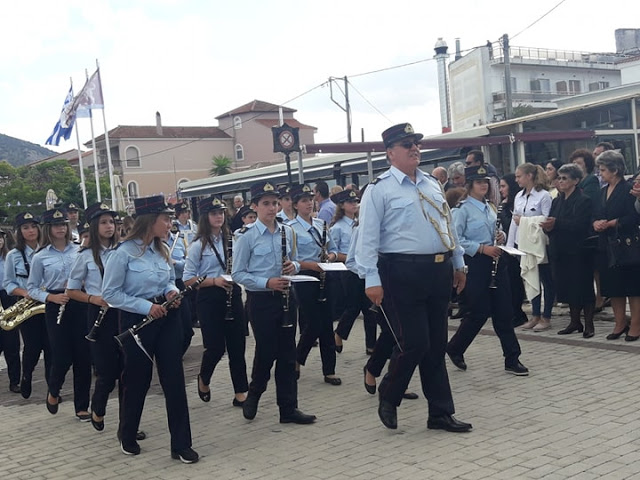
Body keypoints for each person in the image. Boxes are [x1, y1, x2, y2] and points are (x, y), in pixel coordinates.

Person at [355, 122, 471, 432]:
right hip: (400, 272)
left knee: (436, 344)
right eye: (407, 145)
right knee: (414, 342)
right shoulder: (379, 189)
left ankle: (440, 413)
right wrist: (371, 279)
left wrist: (458, 262)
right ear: (391, 153)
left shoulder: (432, 184)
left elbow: (448, 226)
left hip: (438, 269)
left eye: (416, 143)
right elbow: (367, 238)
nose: (415, 148)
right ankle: (389, 394)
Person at [102, 195, 198, 463]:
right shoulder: (122, 253)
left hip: (166, 318)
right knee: (137, 380)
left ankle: (181, 444)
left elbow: (169, 279)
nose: (170, 223)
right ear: (149, 220)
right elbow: (111, 294)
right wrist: (146, 307)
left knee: (174, 380)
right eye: (165, 218)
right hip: (137, 323)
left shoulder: (161, 248)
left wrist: (171, 292)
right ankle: (127, 433)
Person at [232, 180, 316, 425]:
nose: (272, 208)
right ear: (255, 206)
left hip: (287, 297)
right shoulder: (246, 237)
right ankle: (255, 393)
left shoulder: (286, 231)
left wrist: (294, 266)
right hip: (261, 300)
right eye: (266, 204)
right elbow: (238, 274)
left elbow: (296, 261)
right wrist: (266, 282)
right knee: (266, 351)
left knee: (288, 354)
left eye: (275, 203)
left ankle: (288, 408)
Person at [447, 165, 528, 376]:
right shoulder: (461, 209)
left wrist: (500, 235)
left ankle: (512, 358)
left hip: (496, 263)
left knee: (504, 312)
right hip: (475, 264)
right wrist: (482, 248)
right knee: (479, 312)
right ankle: (455, 347)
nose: (483, 185)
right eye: (479, 182)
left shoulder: (491, 206)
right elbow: (456, 240)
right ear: (470, 185)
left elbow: (495, 229)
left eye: (486, 182)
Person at [27, 207, 91, 421]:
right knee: (62, 356)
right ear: (48, 228)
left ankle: (82, 406)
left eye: (63, 224)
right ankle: (54, 390)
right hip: (56, 305)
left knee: (83, 356)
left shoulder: (79, 251)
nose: (61, 228)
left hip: (79, 302)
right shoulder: (40, 257)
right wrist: (50, 298)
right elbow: (33, 288)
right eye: (56, 225)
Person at [184, 195, 248, 408]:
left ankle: (241, 391)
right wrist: (213, 281)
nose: (219, 216)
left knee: (237, 346)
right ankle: (204, 377)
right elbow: (188, 279)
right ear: (205, 217)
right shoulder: (198, 245)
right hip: (209, 297)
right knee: (215, 348)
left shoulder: (234, 239)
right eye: (214, 213)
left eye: (221, 212)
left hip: (233, 294)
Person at [66, 202, 124, 432]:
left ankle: (127, 423)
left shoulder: (124, 251)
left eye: (111, 221)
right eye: (103, 222)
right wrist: (94, 299)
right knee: (108, 371)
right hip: (99, 313)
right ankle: (98, 407)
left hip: (123, 311)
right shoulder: (85, 255)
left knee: (128, 371)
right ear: (93, 226)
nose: (109, 226)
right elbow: (71, 291)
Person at [289, 183, 341, 385]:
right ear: (295, 205)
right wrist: (310, 264)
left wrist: (331, 255)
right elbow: (290, 259)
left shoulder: (321, 224)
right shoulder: (291, 229)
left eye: (310, 200)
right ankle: (297, 358)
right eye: (304, 201)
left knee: (327, 323)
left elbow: (334, 249)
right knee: (313, 323)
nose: (309, 204)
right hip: (305, 278)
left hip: (326, 275)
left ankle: (329, 370)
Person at [541, 164, 596, 338]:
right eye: (559, 177)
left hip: (579, 251)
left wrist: (556, 223)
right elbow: (551, 221)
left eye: (565, 178)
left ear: (576, 180)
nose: (561, 181)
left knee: (583, 287)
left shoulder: (583, 200)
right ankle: (574, 321)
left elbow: (580, 225)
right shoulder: (557, 200)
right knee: (568, 287)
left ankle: (589, 324)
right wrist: (547, 227)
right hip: (560, 250)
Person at [592, 152, 640, 341]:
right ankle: (619, 322)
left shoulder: (628, 189)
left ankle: (636, 324)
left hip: (626, 245)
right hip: (606, 245)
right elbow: (594, 213)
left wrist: (614, 223)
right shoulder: (601, 191)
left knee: (632, 288)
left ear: (615, 169)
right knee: (614, 288)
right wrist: (595, 223)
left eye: (603, 170)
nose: (601, 173)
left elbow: (634, 217)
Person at [3, 212, 51, 399]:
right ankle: (26, 376)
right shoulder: (13, 255)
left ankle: (52, 387)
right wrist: (26, 293)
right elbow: (8, 284)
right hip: (28, 304)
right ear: (19, 232)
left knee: (51, 347)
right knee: (32, 347)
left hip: (49, 302)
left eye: (33, 226)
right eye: (25, 227)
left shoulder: (48, 250)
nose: (30, 231)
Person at [507, 163, 554, 332]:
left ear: (529, 176)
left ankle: (546, 316)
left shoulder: (544, 196)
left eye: (519, 176)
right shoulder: (518, 196)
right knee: (530, 278)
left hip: (539, 244)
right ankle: (535, 315)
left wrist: (525, 222)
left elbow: (545, 219)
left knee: (546, 280)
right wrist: (510, 245)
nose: (516, 179)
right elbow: (515, 221)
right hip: (523, 244)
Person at [330, 189, 376, 355]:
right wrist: (352, 256)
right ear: (342, 206)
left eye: (356, 201)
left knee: (369, 309)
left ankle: (371, 345)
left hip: (364, 269)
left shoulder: (360, 222)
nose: (354, 204)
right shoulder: (338, 227)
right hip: (348, 271)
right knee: (353, 308)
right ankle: (340, 333)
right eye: (350, 202)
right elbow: (332, 253)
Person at [498, 173, 528, 327]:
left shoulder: (516, 202)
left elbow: (514, 224)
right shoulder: (503, 204)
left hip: (518, 245)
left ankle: (519, 312)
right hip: (506, 247)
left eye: (503, 186)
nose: (501, 189)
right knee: (510, 281)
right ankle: (514, 312)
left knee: (516, 281)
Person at [0, 229, 21, 393]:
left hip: (8, 298)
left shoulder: (9, 258)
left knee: (11, 343)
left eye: (0, 238)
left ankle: (15, 381)